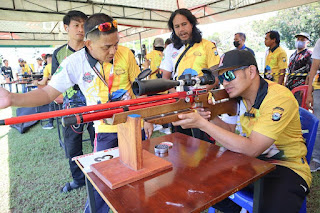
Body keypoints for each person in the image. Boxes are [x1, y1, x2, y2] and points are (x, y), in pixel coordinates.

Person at [0, 13, 153, 212]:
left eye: (116, 43)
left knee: (139, 176)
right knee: (101, 182)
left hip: (134, 125)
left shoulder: (126, 54)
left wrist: (148, 118)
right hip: (105, 131)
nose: (114, 50)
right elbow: (47, 93)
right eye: (107, 46)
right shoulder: (74, 62)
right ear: (89, 44)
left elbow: (140, 89)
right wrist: (13, 98)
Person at [173, 49, 311, 213]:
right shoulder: (240, 97)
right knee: (200, 184)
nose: (225, 82)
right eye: (222, 77)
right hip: (251, 163)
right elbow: (229, 129)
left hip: (286, 168)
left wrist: (202, 124)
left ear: (251, 71)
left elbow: (252, 148)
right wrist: (208, 117)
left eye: (230, 75)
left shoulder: (278, 98)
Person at [46, 11, 96, 194]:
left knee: (98, 140)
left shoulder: (93, 47)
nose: (81, 29)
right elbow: (54, 83)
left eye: (84, 25)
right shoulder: (59, 53)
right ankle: (78, 179)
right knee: (73, 145)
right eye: (76, 25)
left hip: (95, 105)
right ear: (66, 28)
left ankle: (101, 174)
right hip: (70, 108)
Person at [159, 8, 220, 142]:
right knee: (182, 144)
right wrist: (179, 97)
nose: (181, 29)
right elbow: (165, 79)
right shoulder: (170, 49)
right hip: (179, 105)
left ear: (192, 24)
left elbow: (216, 78)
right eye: (177, 26)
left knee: (206, 146)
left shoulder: (207, 46)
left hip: (202, 105)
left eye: (184, 24)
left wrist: (197, 94)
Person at [286, 32, 312, 105]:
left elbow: (310, 73)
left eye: (302, 39)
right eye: (298, 39)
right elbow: (289, 71)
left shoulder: (308, 54)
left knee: (299, 108)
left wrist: (305, 88)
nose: (299, 41)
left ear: (308, 42)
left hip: (300, 87)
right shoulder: (292, 55)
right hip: (290, 86)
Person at [306, 38, 320, 172]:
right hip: (319, 88)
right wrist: (309, 92)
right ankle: (316, 159)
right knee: (319, 125)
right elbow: (314, 68)